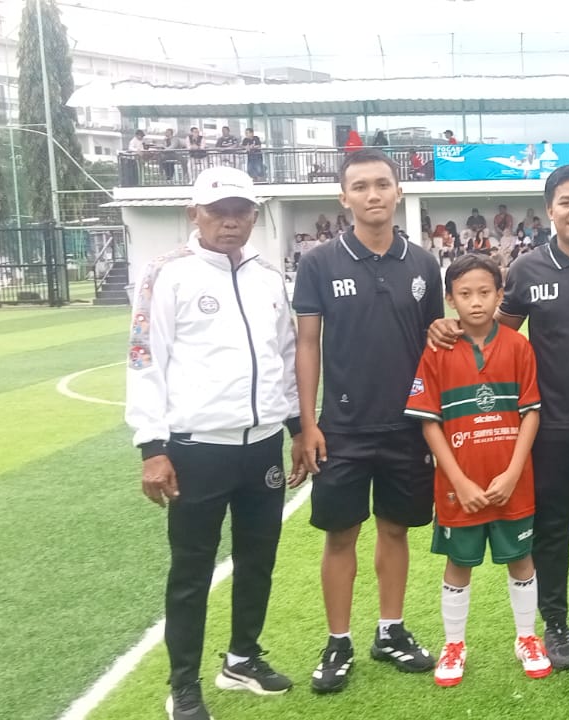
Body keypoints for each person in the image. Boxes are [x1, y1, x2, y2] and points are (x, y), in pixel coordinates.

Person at [428, 164, 569, 670]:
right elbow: (497, 333)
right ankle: (555, 625)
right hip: (548, 426)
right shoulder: (528, 269)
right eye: (567, 202)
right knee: (552, 528)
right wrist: (447, 328)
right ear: (550, 209)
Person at [126, 166, 301, 720]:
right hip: (196, 449)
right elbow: (145, 359)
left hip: (262, 445)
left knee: (258, 560)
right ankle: (184, 685)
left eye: (240, 212)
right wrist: (153, 447)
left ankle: (242, 658)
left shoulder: (267, 276)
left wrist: (297, 428)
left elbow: (285, 357)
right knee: (192, 571)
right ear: (194, 214)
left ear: (253, 216)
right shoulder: (167, 273)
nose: (230, 222)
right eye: (218, 211)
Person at [292, 150, 445, 692]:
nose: (373, 194)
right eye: (360, 186)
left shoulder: (423, 264)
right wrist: (308, 423)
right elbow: (307, 345)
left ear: (398, 192)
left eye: (382, 184)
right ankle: (338, 641)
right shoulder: (318, 263)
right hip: (343, 427)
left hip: (407, 426)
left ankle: (390, 630)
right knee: (340, 535)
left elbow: (434, 345)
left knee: (395, 529)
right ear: (344, 197)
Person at [405, 254, 551, 688]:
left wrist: (512, 472)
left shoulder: (518, 346)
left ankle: (527, 638)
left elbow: (531, 413)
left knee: (520, 559)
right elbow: (429, 422)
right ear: (450, 299)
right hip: (459, 488)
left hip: (512, 483)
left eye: (485, 292)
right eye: (465, 294)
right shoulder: (437, 350)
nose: (475, 302)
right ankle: (454, 644)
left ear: (500, 295)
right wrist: (460, 481)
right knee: (458, 562)